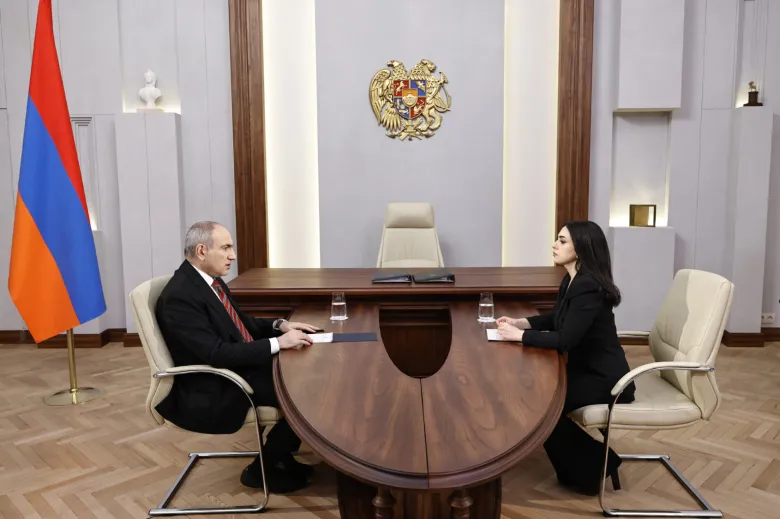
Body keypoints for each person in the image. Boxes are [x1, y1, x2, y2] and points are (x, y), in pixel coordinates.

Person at [155, 221, 318, 493]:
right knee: (304, 392)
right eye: (226, 248)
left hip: (237, 369)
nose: (233, 255)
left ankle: (279, 457)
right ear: (201, 251)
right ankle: (264, 468)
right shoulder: (180, 296)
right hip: (214, 386)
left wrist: (280, 325)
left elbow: (240, 323)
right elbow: (216, 353)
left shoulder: (209, 282)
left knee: (307, 374)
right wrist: (278, 344)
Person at [495, 220, 635, 495]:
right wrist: (522, 322)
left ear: (580, 248)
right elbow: (558, 318)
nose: (554, 245)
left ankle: (598, 466)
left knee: (541, 405)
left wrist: (519, 336)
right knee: (533, 395)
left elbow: (565, 339)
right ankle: (590, 465)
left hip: (607, 381)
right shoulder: (572, 279)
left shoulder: (588, 286)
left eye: (562, 241)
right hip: (585, 370)